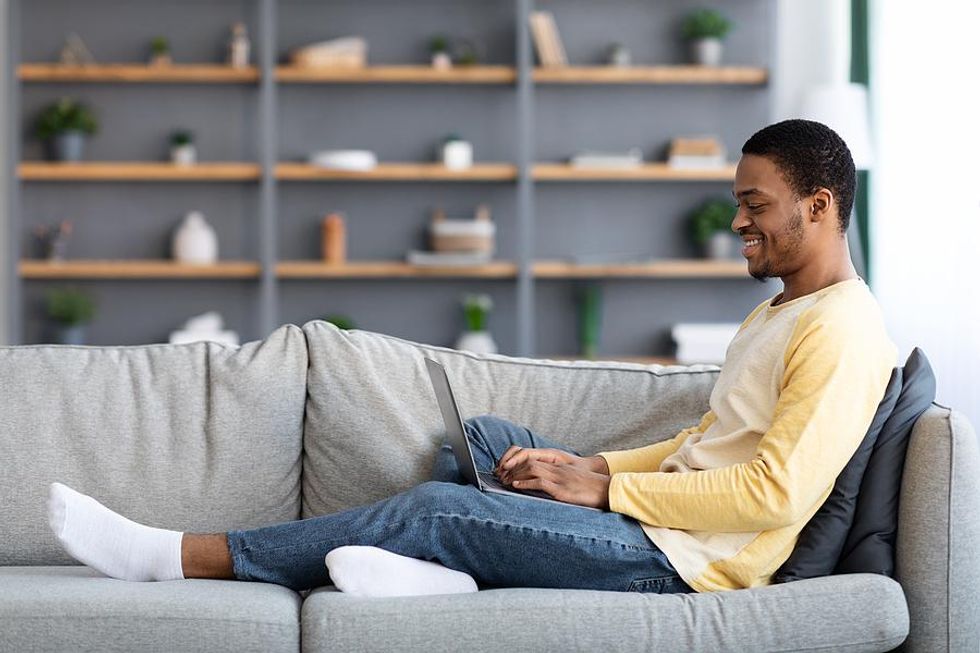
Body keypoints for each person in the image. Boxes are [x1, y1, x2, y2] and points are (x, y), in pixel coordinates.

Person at [46, 119, 897, 596]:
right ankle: (449, 578)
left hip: (686, 559)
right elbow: (714, 438)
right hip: (656, 516)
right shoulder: (782, 309)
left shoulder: (843, 330)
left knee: (431, 508)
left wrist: (604, 488)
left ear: (818, 205)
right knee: (492, 441)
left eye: (756, 204)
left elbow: (772, 491)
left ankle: (178, 555)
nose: (739, 222)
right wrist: (585, 462)